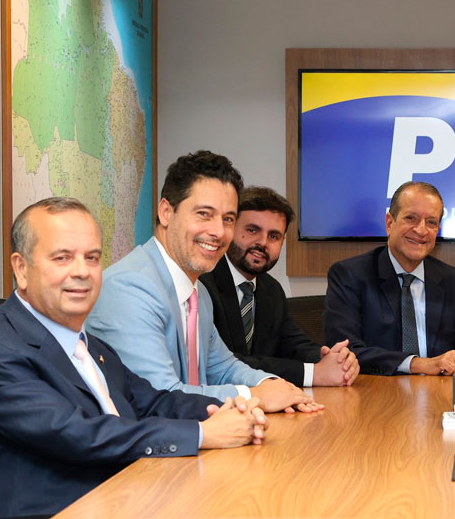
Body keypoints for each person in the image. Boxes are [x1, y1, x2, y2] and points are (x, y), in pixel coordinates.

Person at [0, 198, 279, 519]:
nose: (82, 272)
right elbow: (78, 434)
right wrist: (202, 434)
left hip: (122, 514)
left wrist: (232, 412)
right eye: (62, 258)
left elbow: (152, 401)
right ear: (21, 268)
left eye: (92, 257)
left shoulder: (89, 345)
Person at [88, 150, 322, 413]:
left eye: (228, 219)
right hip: (145, 449)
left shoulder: (198, 292)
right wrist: (253, 395)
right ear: (166, 212)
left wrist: (274, 385)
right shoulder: (129, 288)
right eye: (203, 214)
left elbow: (222, 367)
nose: (218, 232)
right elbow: (161, 397)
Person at [201, 187, 359, 386]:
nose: (262, 243)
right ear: (229, 228)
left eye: (274, 236)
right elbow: (226, 364)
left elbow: (291, 342)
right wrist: (312, 373)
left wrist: (327, 357)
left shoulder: (271, 289)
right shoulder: (202, 283)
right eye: (252, 230)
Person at [324, 181, 455, 375]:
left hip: (438, 396)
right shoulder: (349, 276)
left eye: (431, 222)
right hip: (374, 395)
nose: (421, 230)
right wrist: (419, 364)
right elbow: (345, 353)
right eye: (411, 218)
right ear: (389, 223)